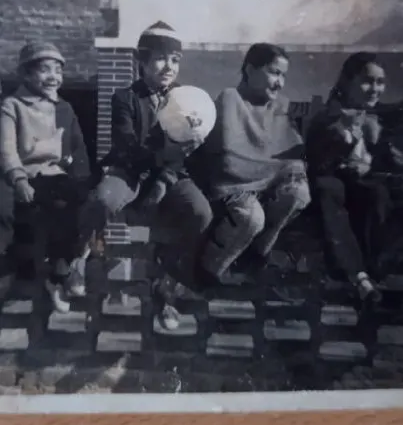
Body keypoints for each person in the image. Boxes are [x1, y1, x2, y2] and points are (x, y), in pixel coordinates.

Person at [80, 21, 213, 330]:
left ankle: (166, 284)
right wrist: (163, 155)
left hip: (170, 174)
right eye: (160, 58)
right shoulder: (125, 98)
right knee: (102, 199)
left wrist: (195, 142)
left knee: (201, 212)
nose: (169, 66)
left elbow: (192, 145)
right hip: (130, 171)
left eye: (175, 60)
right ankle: (77, 259)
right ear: (141, 61)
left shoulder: (188, 100)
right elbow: (127, 145)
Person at [196, 43, 311, 292]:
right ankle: (207, 274)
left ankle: (258, 252)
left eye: (283, 76)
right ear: (250, 69)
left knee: (299, 193)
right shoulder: (230, 98)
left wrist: (282, 172)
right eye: (274, 72)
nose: (280, 83)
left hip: (268, 187)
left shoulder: (280, 106)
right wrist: (270, 169)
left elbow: (292, 155)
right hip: (233, 186)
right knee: (251, 217)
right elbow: (228, 157)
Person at [0, 41, 92, 313]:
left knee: (83, 204)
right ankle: (48, 274)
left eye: (57, 71)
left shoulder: (63, 108)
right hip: (24, 175)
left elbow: (78, 148)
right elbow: (6, 149)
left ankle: (70, 267)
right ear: (26, 75)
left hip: (55, 177)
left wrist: (82, 180)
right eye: (44, 70)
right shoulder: (12, 106)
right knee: (22, 215)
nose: (53, 77)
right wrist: (18, 179)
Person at [305, 51, 389, 305]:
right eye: (367, 81)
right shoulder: (329, 116)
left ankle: (372, 272)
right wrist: (346, 138)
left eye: (380, 82)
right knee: (329, 190)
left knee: (380, 194)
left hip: (364, 186)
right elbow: (318, 162)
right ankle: (357, 275)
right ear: (347, 81)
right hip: (333, 183)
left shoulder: (381, 118)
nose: (374, 89)